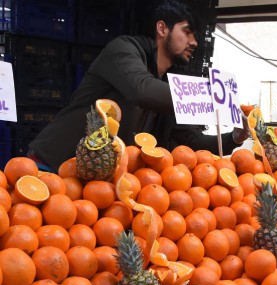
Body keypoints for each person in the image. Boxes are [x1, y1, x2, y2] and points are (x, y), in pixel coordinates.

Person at [28, 0, 248, 172]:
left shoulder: (166, 85)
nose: (194, 43)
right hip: (54, 164)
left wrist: (234, 137)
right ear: (162, 28)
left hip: (98, 178)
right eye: (187, 32)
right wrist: (213, 99)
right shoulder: (123, 49)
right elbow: (141, 90)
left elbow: (188, 139)